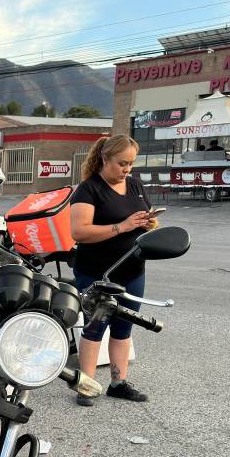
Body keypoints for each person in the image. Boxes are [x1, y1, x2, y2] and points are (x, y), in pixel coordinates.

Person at [69, 134, 156, 406]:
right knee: (95, 328)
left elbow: (144, 217)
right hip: (96, 273)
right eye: (121, 163)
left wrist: (148, 224)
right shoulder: (88, 189)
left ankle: (118, 383)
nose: (127, 169)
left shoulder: (135, 186)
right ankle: (86, 385)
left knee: (123, 327)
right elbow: (79, 232)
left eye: (131, 163)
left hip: (133, 271)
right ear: (105, 159)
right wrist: (124, 226)